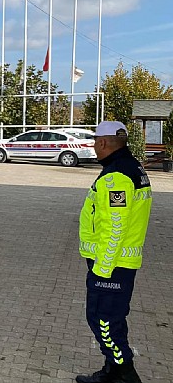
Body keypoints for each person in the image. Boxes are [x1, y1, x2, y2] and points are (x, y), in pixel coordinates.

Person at [75, 121, 151, 383]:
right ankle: (113, 369)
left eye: (95, 143)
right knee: (112, 320)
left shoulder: (116, 175)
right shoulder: (131, 167)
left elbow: (114, 228)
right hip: (119, 263)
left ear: (103, 143)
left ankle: (125, 373)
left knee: (103, 320)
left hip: (112, 265)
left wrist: (102, 270)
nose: (94, 148)